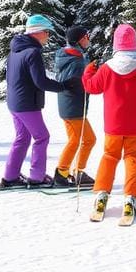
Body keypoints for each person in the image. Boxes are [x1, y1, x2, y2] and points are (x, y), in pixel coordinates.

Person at [82, 23, 136, 221]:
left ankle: (101, 194)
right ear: (135, 44)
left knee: (110, 156)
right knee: (132, 157)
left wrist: (88, 71)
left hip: (113, 125)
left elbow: (91, 87)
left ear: (115, 45)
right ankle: (130, 198)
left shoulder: (107, 68)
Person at [0, 14, 75, 188]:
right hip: (27, 104)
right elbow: (40, 81)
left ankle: (10, 176)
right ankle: (37, 177)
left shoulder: (15, 50)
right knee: (42, 137)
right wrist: (63, 86)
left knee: (22, 138)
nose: (48, 36)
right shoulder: (32, 52)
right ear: (38, 32)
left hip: (14, 102)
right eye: (47, 32)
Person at [53, 25, 96, 187]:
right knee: (76, 140)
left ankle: (78, 172)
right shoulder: (75, 60)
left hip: (73, 105)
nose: (88, 40)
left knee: (88, 139)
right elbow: (74, 83)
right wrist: (92, 76)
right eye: (86, 37)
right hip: (72, 107)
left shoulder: (74, 56)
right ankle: (62, 173)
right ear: (78, 40)